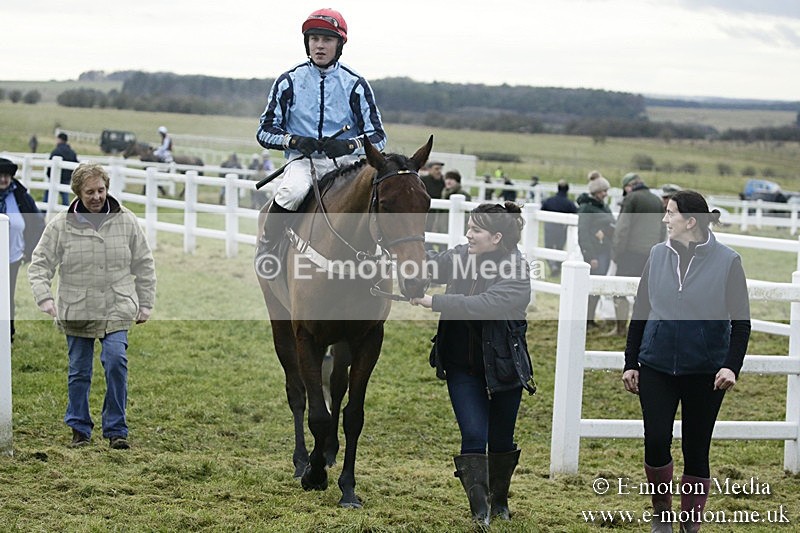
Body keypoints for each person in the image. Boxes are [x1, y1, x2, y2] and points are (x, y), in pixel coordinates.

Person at [622, 190, 751, 533]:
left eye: (670, 214)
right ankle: (661, 514)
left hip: (706, 372)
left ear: (691, 221)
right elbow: (641, 311)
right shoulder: (656, 254)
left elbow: (741, 322)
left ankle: (689, 526)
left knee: (697, 448)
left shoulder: (728, 261)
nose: (664, 220)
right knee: (655, 439)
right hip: (656, 365)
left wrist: (730, 366)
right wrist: (630, 361)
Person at [410, 203, 536, 526]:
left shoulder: (517, 272)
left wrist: (434, 301)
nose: (468, 234)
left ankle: (500, 502)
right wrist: (409, 267)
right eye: (468, 227)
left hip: (505, 368)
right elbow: (433, 265)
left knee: (502, 440)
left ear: (496, 236)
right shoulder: (461, 257)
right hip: (461, 367)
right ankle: (480, 512)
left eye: (475, 230)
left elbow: (484, 305)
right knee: (474, 434)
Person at [28, 163, 156, 450]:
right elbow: (40, 265)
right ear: (78, 193)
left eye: (101, 190)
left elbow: (144, 263)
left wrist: (145, 302)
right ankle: (79, 428)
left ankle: (116, 430)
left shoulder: (127, 220)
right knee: (79, 371)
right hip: (77, 308)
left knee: (115, 362)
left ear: (107, 189)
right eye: (90, 192)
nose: (96, 197)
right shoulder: (61, 225)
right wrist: (44, 298)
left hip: (117, 306)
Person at [254, 7, 387, 259]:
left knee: (376, 198)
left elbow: (378, 137)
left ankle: (384, 258)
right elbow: (264, 131)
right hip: (303, 163)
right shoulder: (288, 81)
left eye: (327, 39)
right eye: (314, 39)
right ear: (307, 43)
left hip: (348, 165)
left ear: (339, 45)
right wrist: (292, 140)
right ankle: (268, 248)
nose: (320, 46)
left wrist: (350, 146)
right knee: (291, 192)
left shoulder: (356, 85)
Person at [609, 173, 665, 336]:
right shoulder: (656, 200)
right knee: (643, 294)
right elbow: (662, 230)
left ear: (628, 187)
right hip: (650, 254)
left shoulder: (631, 199)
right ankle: (642, 330)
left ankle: (620, 329)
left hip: (630, 253)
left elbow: (622, 228)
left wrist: (617, 252)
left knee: (619, 291)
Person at [0, 158, 45, 344]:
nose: (3, 180)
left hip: (12, 256)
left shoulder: (20, 196)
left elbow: (36, 223)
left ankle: (6, 333)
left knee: (7, 295)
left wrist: (29, 250)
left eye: (6, 176)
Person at [577, 177, 614, 329]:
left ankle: (590, 319)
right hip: (595, 253)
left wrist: (605, 231)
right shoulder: (586, 208)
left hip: (605, 251)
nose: (606, 194)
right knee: (592, 287)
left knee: (597, 287)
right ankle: (586, 319)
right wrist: (590, 256)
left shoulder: (604, 207)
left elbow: (612, 224)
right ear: (596, 192)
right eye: (603, 191)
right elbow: (583, 233)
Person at [540, 180, 577, 277]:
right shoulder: (569, 204)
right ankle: (557, 267)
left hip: (550, 228)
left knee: (548, 248)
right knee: (560, 248)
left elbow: (541, 212)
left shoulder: (549, 201)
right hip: (562, 229)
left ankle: (553, 267)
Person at [44, 132, 78, 205]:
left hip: (54, 177)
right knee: (65, 196)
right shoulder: (72, 152)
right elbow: (75, 165)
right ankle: (67, 211)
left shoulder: (56, 151)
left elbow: (50, 165)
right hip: (66, 178)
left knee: (48, 195)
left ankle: (43, 212)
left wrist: (49, 175)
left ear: (59, 139)